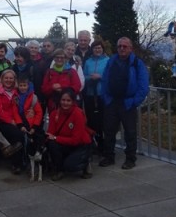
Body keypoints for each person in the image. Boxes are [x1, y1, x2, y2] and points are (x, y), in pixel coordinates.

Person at [100, 37, 149, 170]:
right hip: (112, 102)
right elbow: (104, 80)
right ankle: (109, 157)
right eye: (119, 46)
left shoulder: (137, 63)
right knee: (109, 131)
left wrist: (134, 102)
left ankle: (130, 159)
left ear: (130, 48)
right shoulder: (111, 61)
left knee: (130, 132)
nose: (122, 48)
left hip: (128, 103)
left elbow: (143, 86)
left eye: (125, 46)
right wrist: (106, 98)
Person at [46, 89, 93, 180]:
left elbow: (75, 140)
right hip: (65, 142)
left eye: (68, 100)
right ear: (60, 101)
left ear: (73, 102)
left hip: (80, 144)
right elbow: (50, 134)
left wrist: (56, 138)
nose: (65, 103)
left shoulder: (78, 113)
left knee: (70, 166)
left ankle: (86, 162)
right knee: (51, 144)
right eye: (63, 100)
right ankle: (59, 170)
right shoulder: (54, 114)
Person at [0, 69, 26, 174]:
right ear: (2, 79)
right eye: (6, 78)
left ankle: (19, 160)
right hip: (1, 121)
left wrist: (18, 123)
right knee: (17, 134)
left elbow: (15, 110)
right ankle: (16, 164)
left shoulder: (15, 92)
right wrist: (11, 121)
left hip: (14, 121)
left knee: (21, 132)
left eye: (11, 78)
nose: (8, 80)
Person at [83, 40, 109, 152]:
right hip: (90, 94)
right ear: (92, 50)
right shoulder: (88, 62)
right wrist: (90, 78)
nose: (97, 50)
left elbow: (110, 76)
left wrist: (100, 77)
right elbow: (83, 76)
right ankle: (95, 143)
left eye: (99, 48)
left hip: (103, 94)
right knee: (92, 120)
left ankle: (105, 144)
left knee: (104, 120)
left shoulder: (108, 61)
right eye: (95, 48)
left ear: (102, 49)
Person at [41, 48, 82, 114]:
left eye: (62, 57)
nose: (59, 59)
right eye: (57, 57)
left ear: (65, 59)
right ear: (54, 58)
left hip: (68, 104)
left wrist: (63, 88)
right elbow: (44, 89)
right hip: (53, 105)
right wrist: (52, 87)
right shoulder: (49, 72)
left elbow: (77, 86)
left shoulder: (71, 71)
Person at [16, 74, 44, 159]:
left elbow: (39, 113)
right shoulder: (15, 97)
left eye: (24, 85)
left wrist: (34, 127)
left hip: (32, 125)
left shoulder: (33, 98)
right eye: (20, 85)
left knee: (35, 142)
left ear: (28, 86)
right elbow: (15, 112)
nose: (22, 87)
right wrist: (20, 125)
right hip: (21, 123)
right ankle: (23, 160)